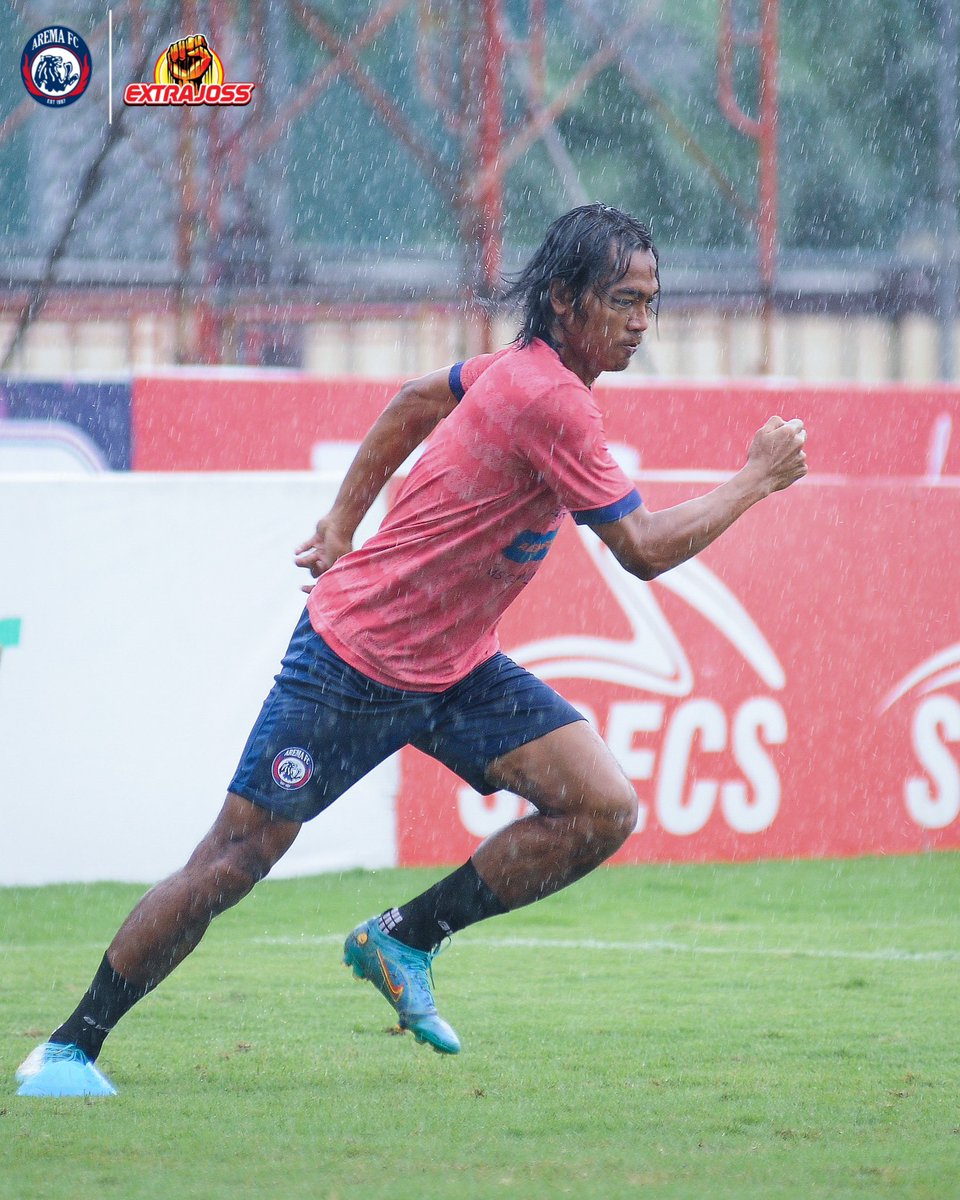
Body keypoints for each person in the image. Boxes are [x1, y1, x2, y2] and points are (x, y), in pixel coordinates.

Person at [16, 204, 807, 1095]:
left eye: (650, 303)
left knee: (601, 807)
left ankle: (404, 938)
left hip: (457, 666)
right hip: (353, 662)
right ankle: (70, 1046)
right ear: (563, 298)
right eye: (624, 301)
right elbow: (645, 549)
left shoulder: (520, 373)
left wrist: (342, 520)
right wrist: (756, 480)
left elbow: (416, 399)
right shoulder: (551, 397)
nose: (641, 323)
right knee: (233, 861)